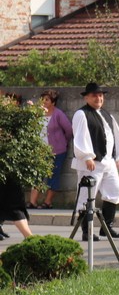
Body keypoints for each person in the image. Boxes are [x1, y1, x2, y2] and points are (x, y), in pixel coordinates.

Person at [72, 82, 119, 241]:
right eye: (95, 95)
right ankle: (86, 230)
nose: (98, 98)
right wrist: (87, 156)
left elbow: (114, 136)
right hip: (92, 162)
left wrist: (117, 156)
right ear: (87, 97)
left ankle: (107, 227)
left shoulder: (107, 114)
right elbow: (80, 136)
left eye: (100, 95)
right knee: (87, 195)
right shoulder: (81, 114)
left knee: (114, 192)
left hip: (108, 161)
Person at [29, 90, 72, 209]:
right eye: (42, 99)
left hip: (57, 151)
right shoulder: (38, 113)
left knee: (53, 176)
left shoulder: (58, 114)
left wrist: (63, 142)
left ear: (53, 102)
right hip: (40, 150)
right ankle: (32, 202)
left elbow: (68, 130)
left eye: (47, 99)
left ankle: (47, 202)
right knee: (36, 175)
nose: (43, 102)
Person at [0, 94, 35, 241]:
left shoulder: (15, 123)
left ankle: (30, 238)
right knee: (14, 204)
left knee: (15, 204)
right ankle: (30, 238)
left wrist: (32, 115)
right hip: (6, 169)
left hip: (10, 170)